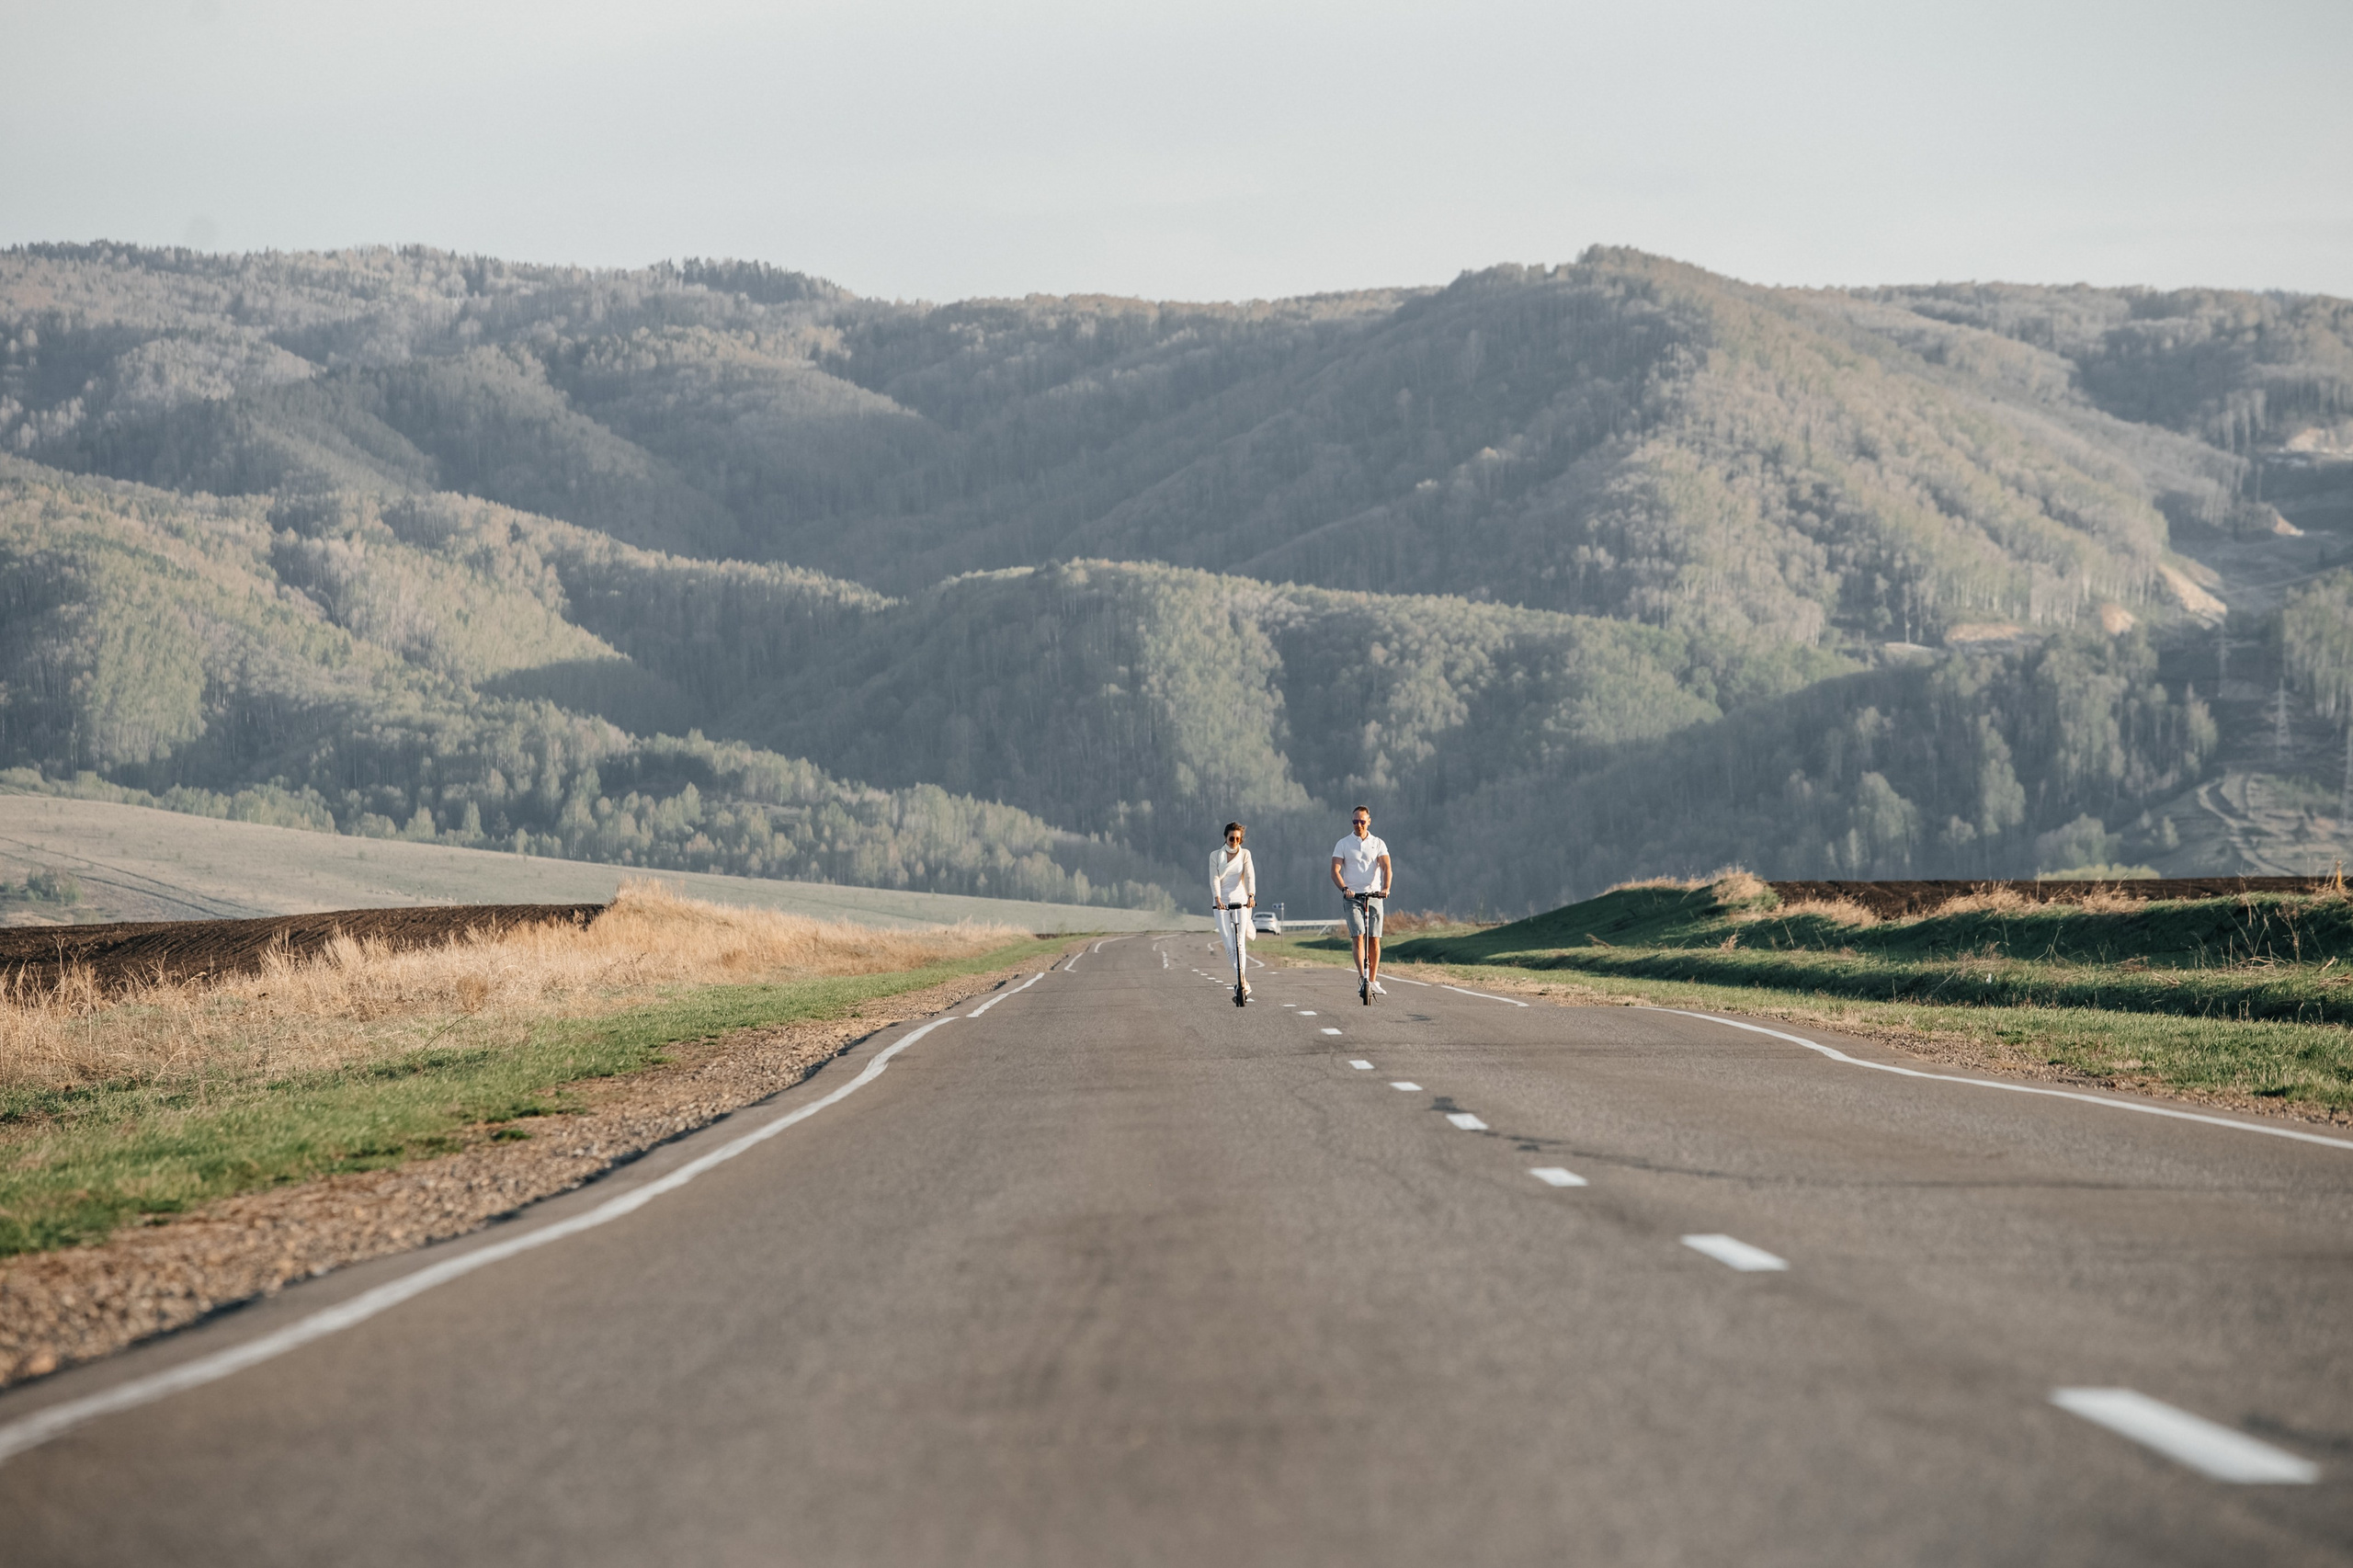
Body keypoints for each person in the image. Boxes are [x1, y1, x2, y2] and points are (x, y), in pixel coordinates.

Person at [1330, 805, 1392, 1000]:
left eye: (1362, 821)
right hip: (1352, 896)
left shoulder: (1378, 843)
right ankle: (1363, 978)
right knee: (1358, 936)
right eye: (1355, 822)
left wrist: (1386, 888)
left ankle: (1372, 980)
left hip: (1374, 895)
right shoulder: (1343, 843)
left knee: (1374, 938)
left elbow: (1386, 868)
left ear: (1369, 821)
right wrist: (1344, 888)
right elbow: (1335, 871)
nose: (1359, 825)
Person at [1211, 820, 1256, 1000]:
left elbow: (1250, 875)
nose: (1234, 842)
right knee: (1229, 945)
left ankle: (1242, 981)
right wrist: (1217, 898)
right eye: (1231, 839)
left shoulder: (1245, 854)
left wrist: (1251, 896)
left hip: (1240, 900)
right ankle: (1243, 980)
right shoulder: (1215, 856)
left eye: (1238, 839)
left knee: (1240, 944)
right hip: (1221, 901)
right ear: (1225, 838)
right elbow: (1214, 878)